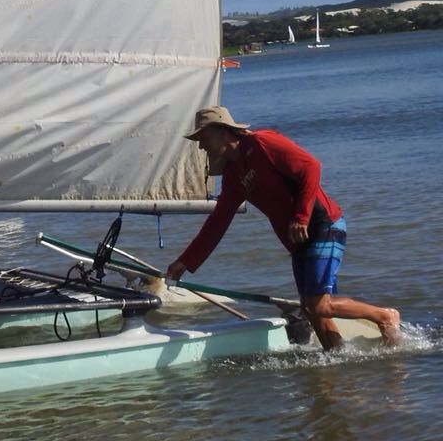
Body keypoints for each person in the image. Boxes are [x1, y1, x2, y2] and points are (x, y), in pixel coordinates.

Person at [165, 106, 400, 349]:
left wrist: (301, 217)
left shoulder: (263, 142)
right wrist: (185, 262)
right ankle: (336, 358)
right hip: (297, 240)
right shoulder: (233, 175)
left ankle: (385, 316)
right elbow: (218, 222)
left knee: (318, 305)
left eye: (203, 138)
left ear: (223, 132)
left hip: (323, 225)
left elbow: (311, 167)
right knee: (312, 310)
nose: (201, 146)